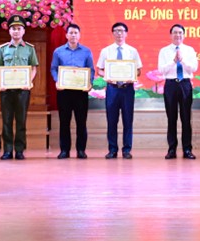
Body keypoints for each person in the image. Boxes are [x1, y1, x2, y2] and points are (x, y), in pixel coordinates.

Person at [0, 15, 38, 160]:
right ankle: (7, 150)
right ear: (9, 31)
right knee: (6, 121)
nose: (16, 31)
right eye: (13, 29)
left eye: (19, 29)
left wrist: (29, 81)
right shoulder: (3, 49)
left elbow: (34, 68)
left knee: (21, 121)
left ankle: (19, 150)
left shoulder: (29, 49)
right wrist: (1, 81)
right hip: (6, 91)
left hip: (23, 90)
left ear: (23, 31)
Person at [96, 22, 142, 159]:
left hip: (127, 89)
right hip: (112, 89)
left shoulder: (132, 51)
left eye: (122, 31)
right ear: (112, 33)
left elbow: (138, 70)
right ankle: (112, 149)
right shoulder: (106, 51)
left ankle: (127, 150)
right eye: (116, 31)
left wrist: (132, 76)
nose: (119, 33)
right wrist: (107, 76)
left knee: (128, 120)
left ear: (126, 33)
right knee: (112, 120)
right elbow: (99, 70)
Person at [50, 24, 95, 159]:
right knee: (64, 122)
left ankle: (81, 150)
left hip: (81, 92)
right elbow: (53, 68)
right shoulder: (58, 51)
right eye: (71, 33)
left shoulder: (86, 51)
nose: (73, 35)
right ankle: (64, 150)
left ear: (79, 35)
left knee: (81, 122)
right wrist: (57, 80)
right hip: (64, 91)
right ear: (66, 35)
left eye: (76, 33)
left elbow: (91, 69)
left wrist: (89, 83)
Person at [157, 24, 198, 160]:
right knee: (171, 118)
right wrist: (173, 61)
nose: (177, 35)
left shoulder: (190, 50)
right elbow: (161, 70)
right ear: (170, 35)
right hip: (170, 84)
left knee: (186, 118)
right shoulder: (164, 51)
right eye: (175, 32)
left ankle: (187, 149)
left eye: (180, 33)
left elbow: (193, 68)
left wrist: (182, 61)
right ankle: (172, 149)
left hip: (185, 84)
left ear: (184, 35)